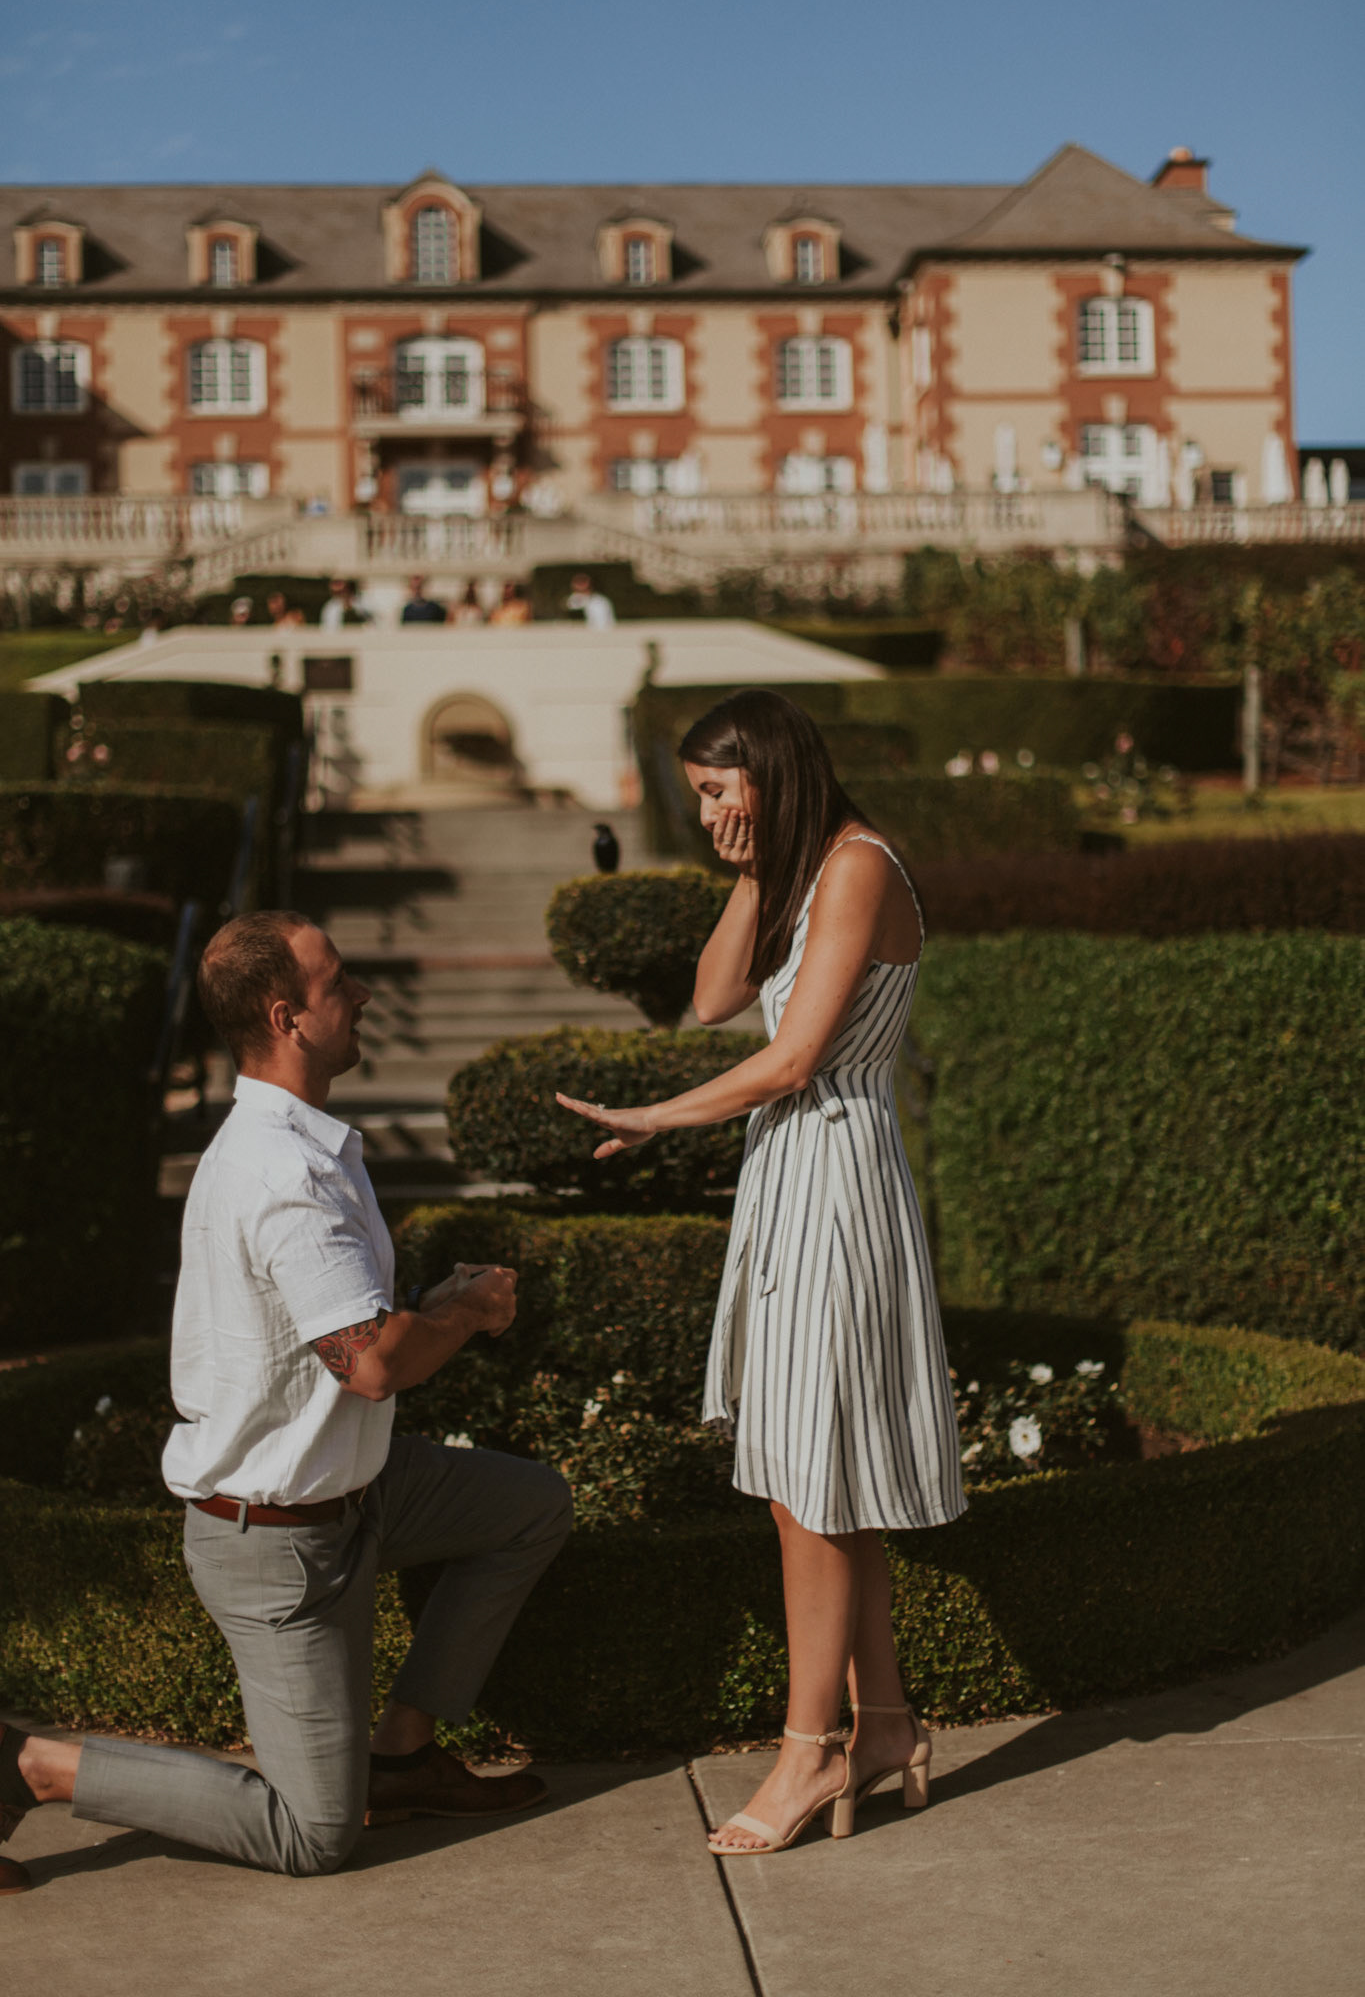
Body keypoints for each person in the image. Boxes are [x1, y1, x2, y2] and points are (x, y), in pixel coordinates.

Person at [0, 912, 572, 1887]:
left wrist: (423, 1307)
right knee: (314, 1833)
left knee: (530, 1505)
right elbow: (370, 1365)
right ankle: (31, 1763)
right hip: (277, 1544)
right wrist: (469, 1313)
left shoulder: (302, 1145)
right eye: (338, 983)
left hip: (362, 1491)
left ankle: (400, 1751)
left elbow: (344, 1336)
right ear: (287, 1016)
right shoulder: (284, 1174)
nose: (360, 996)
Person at [557, 689, 964, 1856]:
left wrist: (652, 1115)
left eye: (718, 788)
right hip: (800, 1179)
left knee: (806, 1483)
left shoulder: (859, 867)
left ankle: (808, 1748)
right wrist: (749, 870)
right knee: (822, 1468)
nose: (709, 810)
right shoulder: (806, 868)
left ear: (770, 770)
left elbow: (788, 1060)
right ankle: (884, 1728)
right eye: (699, 793)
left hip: (833, 1177)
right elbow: (713, 996)